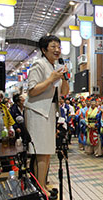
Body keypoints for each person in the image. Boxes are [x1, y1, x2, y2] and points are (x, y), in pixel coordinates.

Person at [24, 35, 69, 194]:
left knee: (47, 152)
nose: (57, 50)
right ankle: (39, 187)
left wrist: (63, 78)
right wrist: (51, 79)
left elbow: (64, 92)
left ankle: (41, 185)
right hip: (37, 111)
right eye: (53, 47)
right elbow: (32, 90)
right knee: (41, 152)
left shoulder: (54, 66)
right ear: (44, 50)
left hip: (49, 111)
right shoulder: (39, 64)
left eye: (59, 47)